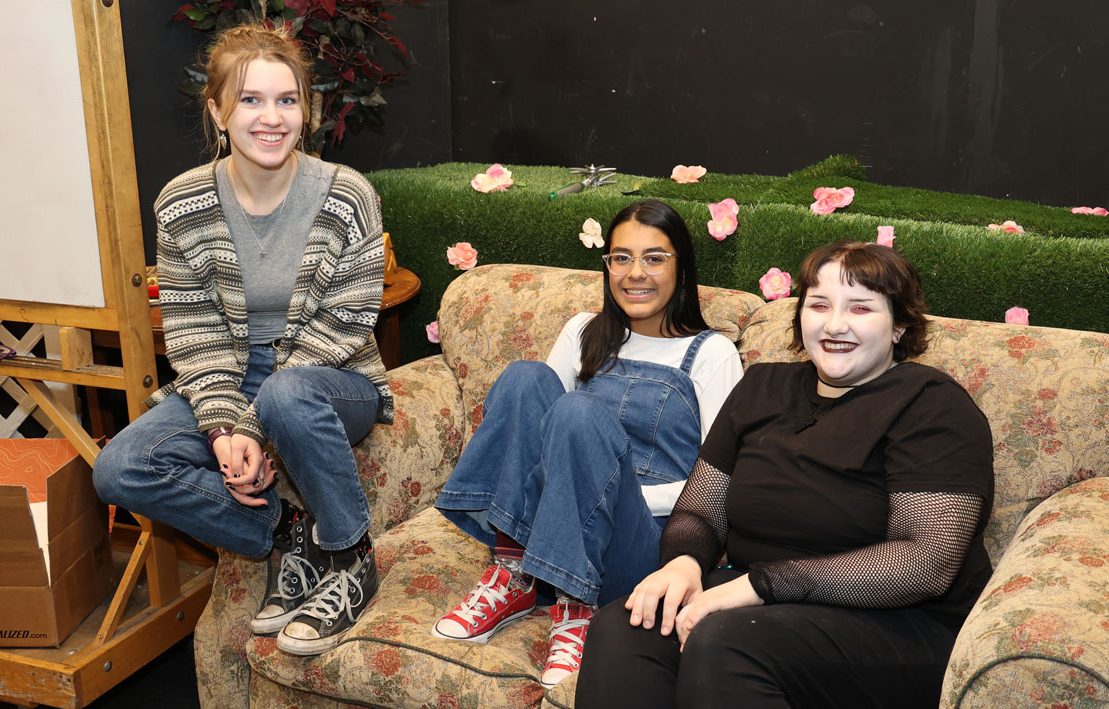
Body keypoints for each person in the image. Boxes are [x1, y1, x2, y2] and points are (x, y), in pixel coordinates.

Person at [575, 241, 995, 707]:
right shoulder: (761, 387)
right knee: (624, 626)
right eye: (820, 305)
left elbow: (924, 563)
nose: (835, 325)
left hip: (900, 625)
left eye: (860, 308)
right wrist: (684, 563)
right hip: (762, 608)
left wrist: (759, 586)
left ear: (899, 325)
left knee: (725, 641)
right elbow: (701, 511)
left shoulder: (932, 406)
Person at [92, 24, 391, 657]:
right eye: (251, 99)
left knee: (285, 394)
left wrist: (252, 425)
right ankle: (288, 533)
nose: (271, 118)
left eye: (287, 100)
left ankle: (350, 556)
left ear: (306, 110)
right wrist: (222, 426)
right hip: (230, 370)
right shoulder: (182, 202)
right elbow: (194, 332)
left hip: (334, 375)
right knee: (119, 468)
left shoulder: (347, 195)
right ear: (217, 111)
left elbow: (346, 322)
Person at [432, 199, 744, 688]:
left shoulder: (712, 353)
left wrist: (601, 491)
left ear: (682, 268)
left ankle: (578, 607)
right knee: (525, 378)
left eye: (654, 258)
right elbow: (536, 437)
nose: (635, 273)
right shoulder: (582, 330)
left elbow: (721, 485)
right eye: (621, 258)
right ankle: (515, 573)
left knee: (578, 411)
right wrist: (569, 495)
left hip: (644, 545)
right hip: (559, 531)